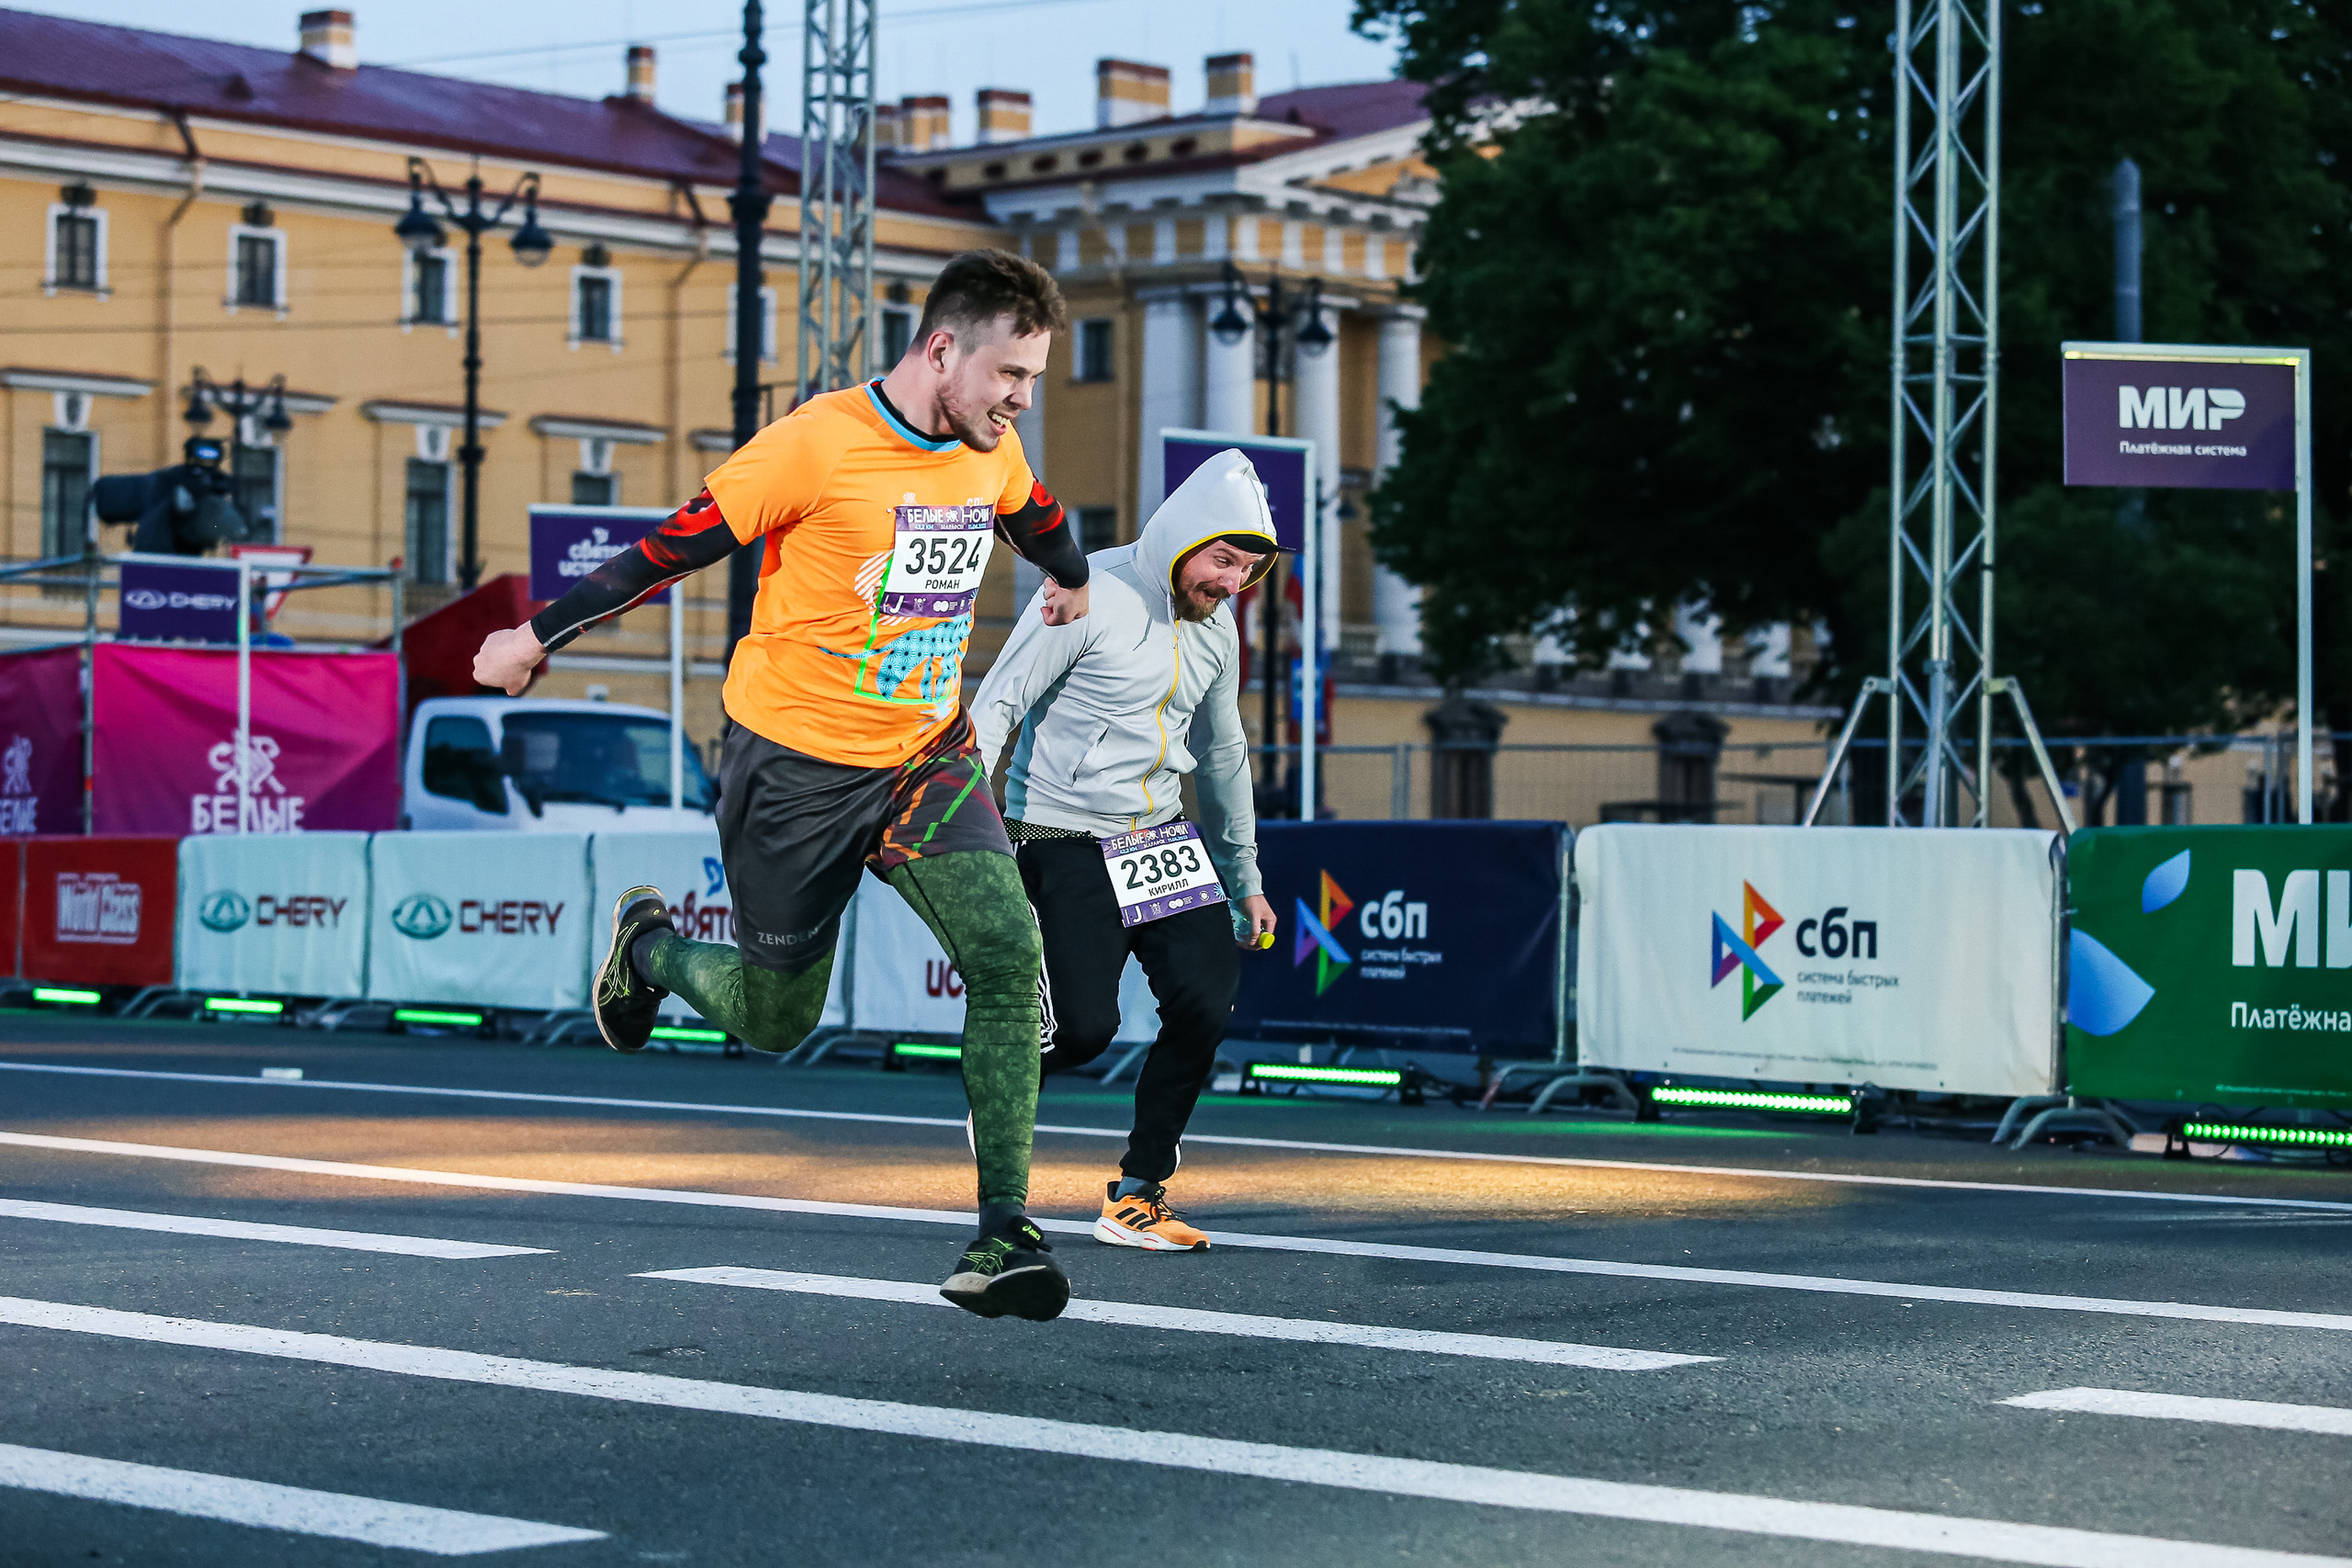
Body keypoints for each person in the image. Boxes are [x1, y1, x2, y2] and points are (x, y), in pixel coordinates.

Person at [472, 249, 1088, 1323]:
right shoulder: (814, 444)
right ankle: (651, 951)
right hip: (792, 772)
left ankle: (1003, 1234)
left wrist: (1072, 580)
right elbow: (670, 548)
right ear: (942, 349)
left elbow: (1034, 510)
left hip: (922, 758)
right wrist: (532, 635)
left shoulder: (991, 449)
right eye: (1008, 376)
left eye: (1031, 381)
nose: (1019, 400)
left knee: (1006, 952)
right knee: (774, 1019)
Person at [970, 449, 1281, 1254]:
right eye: (1222, 559)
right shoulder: (1089, 592)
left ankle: (1138, 1194)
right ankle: (1003, 1081)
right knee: (1082, 1030)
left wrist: (1244, 877)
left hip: (1159, 842)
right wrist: (972, 837)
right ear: (1183, 537)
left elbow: (1222, 753)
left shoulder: (1219, 630)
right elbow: (997, 705)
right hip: (1062, 832)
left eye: (1247, 570)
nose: (1230, 583)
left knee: (1207, 1000)